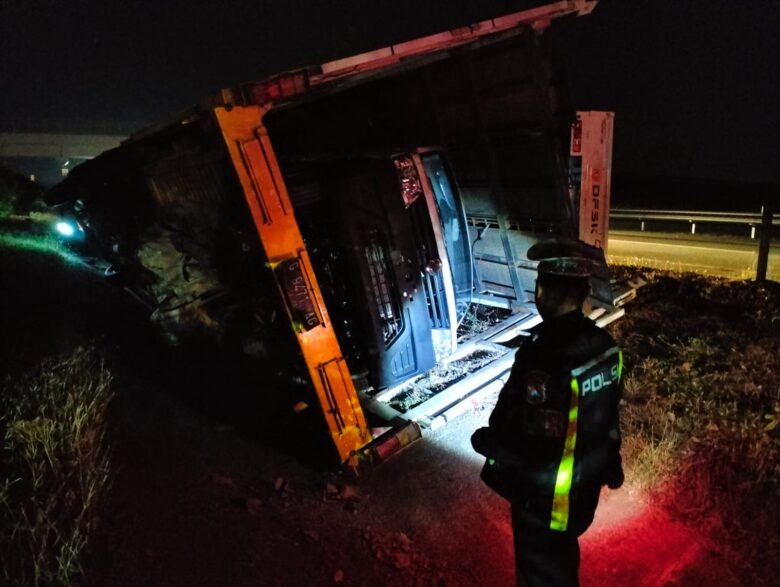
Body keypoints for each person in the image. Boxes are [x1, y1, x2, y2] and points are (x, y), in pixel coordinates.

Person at [472, 237, 624, 587]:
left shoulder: (544, 356)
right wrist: (612, 466)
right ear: (584, 292)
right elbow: (607, 418)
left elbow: (535, 439)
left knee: (541, 575)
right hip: (583, 490)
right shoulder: (606, 348)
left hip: (546, 502)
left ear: (544, 291)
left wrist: (489, 444)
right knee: (562, 564)